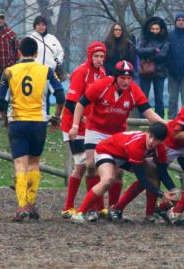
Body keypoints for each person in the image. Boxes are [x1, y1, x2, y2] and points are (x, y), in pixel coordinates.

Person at [68, 60, 166, 223]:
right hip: (96, 129)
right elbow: (80, 103)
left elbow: (149, 113)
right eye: (123, 78)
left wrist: (167, 126)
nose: (126, 82)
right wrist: (75, 126)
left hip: (117, 132)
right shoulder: (102, 85)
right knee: (91, 167)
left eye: (129, 79)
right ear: (115, 77)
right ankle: (94, 209)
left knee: (118, 173)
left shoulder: (134, 90)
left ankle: (114, 209)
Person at [0, 37, 65, 221]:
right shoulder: (46, 71)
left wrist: (5, 119)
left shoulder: (9, 72)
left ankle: (22, 207)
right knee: (34, 162)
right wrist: (56, 117)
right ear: (36, 54)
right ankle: (31, 204)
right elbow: (61, 96)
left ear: (19, 52)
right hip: (38, 122)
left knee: (20, 163)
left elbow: (1, 102)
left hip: (17, 122)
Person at [70, 123, 171, 223]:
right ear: (147, 133)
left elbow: (162, 173)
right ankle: (79, 213)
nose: (151, 142)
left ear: (161, 141)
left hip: (123, 155)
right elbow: (142, 179)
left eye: (156, 140)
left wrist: (174, 190)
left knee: (153, 173)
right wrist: (162, 194)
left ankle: (148, 215)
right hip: (106, 151)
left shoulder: (160, 149)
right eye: (150, 137)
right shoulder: (136, 145)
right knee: (108, 179)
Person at [59, 41, 107, 219]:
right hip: (75, 125)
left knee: (94, 164)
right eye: (96, 56)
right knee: (82, 166)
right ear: (90, 56)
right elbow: (71, 102)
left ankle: (99, 207)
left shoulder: (102, 73)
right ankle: (69, 206)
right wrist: (81, 120)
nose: (99, 59)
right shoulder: (81, 72)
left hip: (91, 127)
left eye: (102, 56)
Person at [136, 16, 169, 118]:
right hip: (145, 71)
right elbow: (138, 50)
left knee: (159, 98)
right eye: (153, 29)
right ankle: (141, 119)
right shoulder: (144, 39)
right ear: (149, 29)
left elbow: (163, 55)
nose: (155, 31)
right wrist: (154, 50)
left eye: (157, 29)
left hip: (160, 71)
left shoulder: (165, 40)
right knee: (143, 97)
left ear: (160, 29)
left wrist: (148, 57)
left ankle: (160, 120)